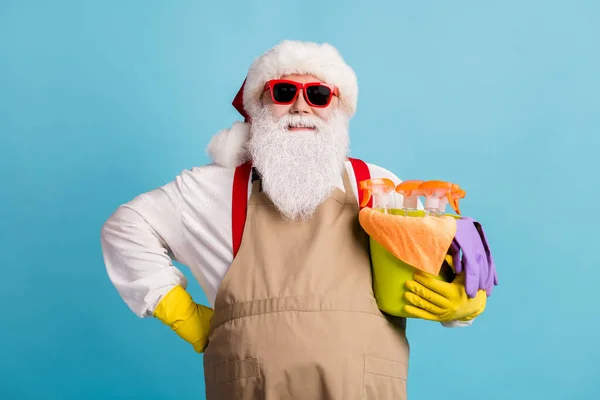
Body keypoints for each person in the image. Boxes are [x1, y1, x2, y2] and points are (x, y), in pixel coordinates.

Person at [100, 40, 486, 400]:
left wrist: (462, 299)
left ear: (337, 107)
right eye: (285, 92)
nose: (301, 107)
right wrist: (180, 313)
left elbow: (427, 267)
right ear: (260, 103)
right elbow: (126, 228)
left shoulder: (379, 186)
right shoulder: (212, 189)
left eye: (318, 95)